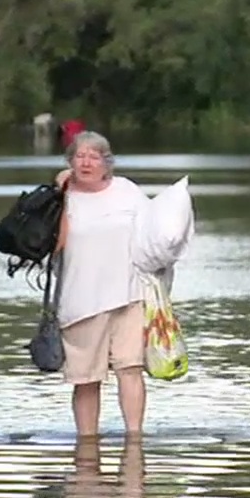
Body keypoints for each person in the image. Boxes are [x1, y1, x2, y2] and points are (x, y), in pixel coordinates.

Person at [52, 131, 151, 438]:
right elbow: (53, 248)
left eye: (94, 156)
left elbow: (155, 235)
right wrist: (61, 193)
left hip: (130, 295)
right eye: (80, 156)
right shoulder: (62, 198)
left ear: (107, 163)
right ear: (70, 162)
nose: (86, 162)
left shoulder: (127, 190)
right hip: (81, 301)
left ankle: (134, 441)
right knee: (86, 379)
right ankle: (87, 446)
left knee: (130, 369)